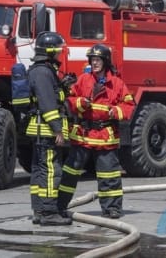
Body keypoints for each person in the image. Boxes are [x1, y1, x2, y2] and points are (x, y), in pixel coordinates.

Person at [58, 44, 135, 219]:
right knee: (70, 173)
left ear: (105, 61)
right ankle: (60, 205)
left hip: (104, 136)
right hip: (83, 134)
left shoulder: (116, 83)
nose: (94, 63)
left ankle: (112, 208)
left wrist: (115, 112)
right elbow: (69, 99)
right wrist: (79, 103)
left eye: (98, 60)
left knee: (109, 175)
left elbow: (129, 106)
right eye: (92, 60)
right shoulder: (83, 80)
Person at [25, 31, 72, 226]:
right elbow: (47, 103)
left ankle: (39, 210)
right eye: (59, 49)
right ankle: (49, 211)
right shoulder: (43, 72)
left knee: (39, 169)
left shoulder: (40, 70)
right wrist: (57, 129)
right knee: (52, 170)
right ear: (51, 51)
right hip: (46, 130)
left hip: (39, 129)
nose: (61, 53)